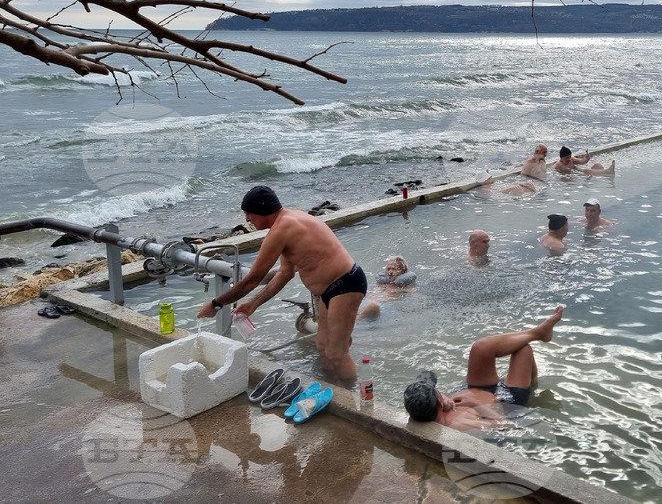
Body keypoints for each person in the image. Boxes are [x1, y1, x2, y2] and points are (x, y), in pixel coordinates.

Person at [196, 185, 367, 381]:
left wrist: (216, 304)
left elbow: (252, 279)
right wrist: (252, 304)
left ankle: (353, 401)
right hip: (330, 290)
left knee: (337, 353)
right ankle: (331, 390)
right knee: (322, 346)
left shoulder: (281, 229)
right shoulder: (289, 221)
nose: (246, 220)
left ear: (262, 210)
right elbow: (285, 273)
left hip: (345, 284)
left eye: (249, 214)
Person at [402, 306, 564, 432]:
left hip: (473, 387)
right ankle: (532, 389)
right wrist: (476, 404)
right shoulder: (458, 424)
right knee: (524, 350)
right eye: (436, 392)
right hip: (507, 398)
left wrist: (443, 397)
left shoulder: (426, 405)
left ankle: (538, 333)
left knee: (481, 348)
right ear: (435, 401)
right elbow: (507, 428)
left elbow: (427, 375)